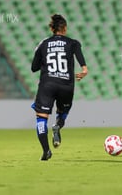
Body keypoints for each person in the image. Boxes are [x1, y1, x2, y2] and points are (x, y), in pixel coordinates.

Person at [31, 14, 88, 160]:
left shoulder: (43, 44)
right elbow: (79, 55)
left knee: (41, 118)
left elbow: (34, 67)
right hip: (66, 85)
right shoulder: (72, 42)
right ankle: (57, 126)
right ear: (65, 28)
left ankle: (46, 151)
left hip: (47, 85)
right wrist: (84, 69)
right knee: (62, 113)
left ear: (52, 28)